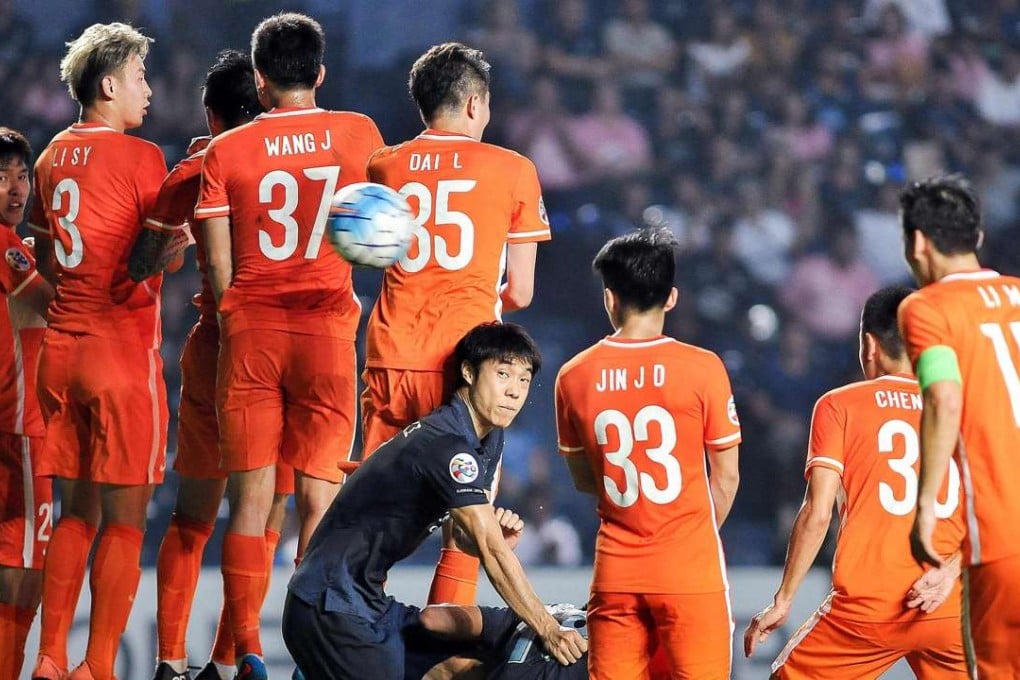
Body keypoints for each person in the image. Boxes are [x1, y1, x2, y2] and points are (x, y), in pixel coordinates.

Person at [194, 13, 384, 677]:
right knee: (317, 499)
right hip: (328, 330)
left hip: (250, 332)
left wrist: (234, 314)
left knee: (248, 499)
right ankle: (313, 654)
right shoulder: (357, 134)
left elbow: (218, 267)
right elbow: (385, 219)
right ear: (321, 73)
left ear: (259, 77)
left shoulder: (226, 152)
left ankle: (244, 647)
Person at [283, 322, 586, 679]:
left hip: (366, 602)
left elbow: (465, 536)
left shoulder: (487, 439)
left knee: (464, 664)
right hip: (331, 606)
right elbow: (491, 551)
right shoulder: (448, 446)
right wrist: (548, 627)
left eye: (523, 380)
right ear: (469, 372)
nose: (514, 392)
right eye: (503, 374)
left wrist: (487, 538)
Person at [362, 40, 550, 607]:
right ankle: (447, 645)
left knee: (370, 514)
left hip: (392, 355)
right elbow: (520, 290)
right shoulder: (514, 169)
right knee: (467, 520)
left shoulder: (383, 165)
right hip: (466, 372)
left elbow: (365, 249)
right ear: (474, 104)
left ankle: (340, 642)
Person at [127, 50, 291, 680]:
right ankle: (229, 661)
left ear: (209, 112)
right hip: (284, 349)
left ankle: (170, 660)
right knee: (266, 511)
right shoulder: (311, 156)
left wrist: (177, 233)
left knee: (194, 513)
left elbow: (143, 264)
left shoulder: (197, 166)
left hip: (216, 344)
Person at [26, 22, 168, 680]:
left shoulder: (50, 156)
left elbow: (49, 260)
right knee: (125, 516)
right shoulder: (143, 159)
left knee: (76, 508)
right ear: (107, 84)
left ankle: (50, 658)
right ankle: (99, 665)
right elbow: (149, 257)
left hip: (62, 349)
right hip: (119, 351)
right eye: (139, 76)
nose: (148, 89)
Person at [743, 286, 967, 678]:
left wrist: (783, 600)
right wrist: (949, 572)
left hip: (868, 609)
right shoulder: (961, 408)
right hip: (946, 605)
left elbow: (817, 513)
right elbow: (1000, 514)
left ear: (869, 344)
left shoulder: (840, 404)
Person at [555, 226, 741, 679]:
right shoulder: (703, 368)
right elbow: (727, 476)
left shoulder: (574, 375)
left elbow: (584, 478)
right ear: (671, 298)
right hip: (689, 572)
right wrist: (689, 531)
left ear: (609, 299)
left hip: (616, 572)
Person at [900, 175, 1020, 677]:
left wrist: (925, 506)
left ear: (918, 242)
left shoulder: (927, 309)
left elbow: (944, 397)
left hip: (1001, 536)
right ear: (978, 237)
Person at [0, 127, 54, 680]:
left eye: (21, 176)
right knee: (27, 563)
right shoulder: (7, 246)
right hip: (20, 422)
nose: (16, 190)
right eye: (0, 178)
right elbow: (51, 304)